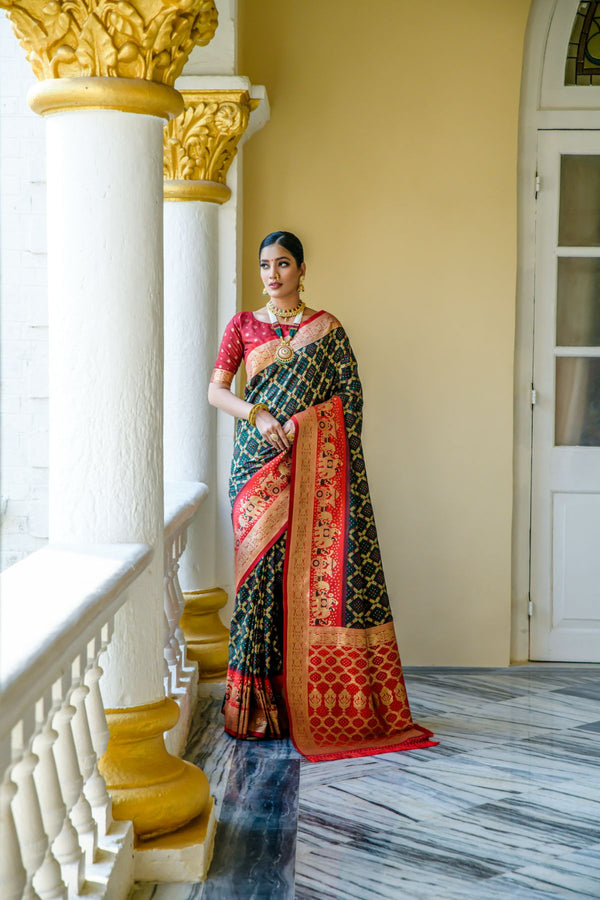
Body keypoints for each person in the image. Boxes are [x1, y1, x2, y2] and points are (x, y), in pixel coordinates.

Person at [208, 231, 435, 761]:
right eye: (265, 265)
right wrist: (257, 414)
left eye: (282, 264)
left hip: (310, 465)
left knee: (308, 579)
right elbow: (216, 389)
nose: (272, 274)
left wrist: (306, 424)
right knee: (261, 581)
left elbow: (349, 400)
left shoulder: (327, 329)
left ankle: (310, 703)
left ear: (301, 270)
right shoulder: (242, 325)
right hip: (256, 464)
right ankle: (256, 710)